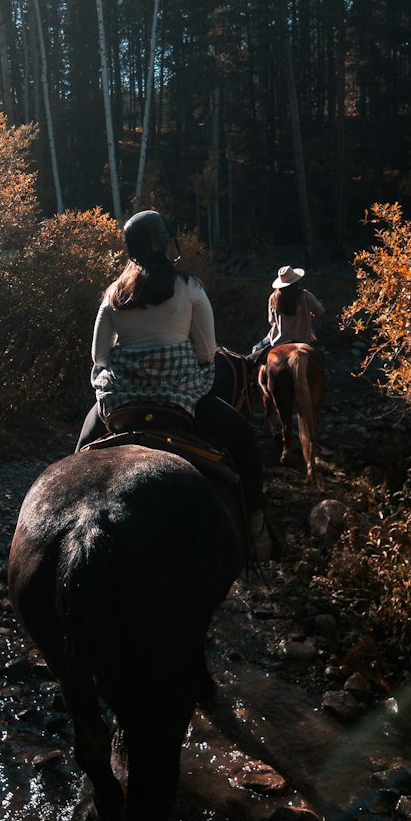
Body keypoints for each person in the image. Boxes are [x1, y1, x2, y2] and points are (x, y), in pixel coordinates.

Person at [76, 209, 271, 560]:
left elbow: (99, 356)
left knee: (79, 457)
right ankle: (257, 531)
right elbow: (207, 351)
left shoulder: (113, 295)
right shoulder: (190, 286)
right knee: (243, 438)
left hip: (122, 403)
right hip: (180, 400)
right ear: (166, 243)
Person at [247, 265, 324, 361]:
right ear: (296, 281)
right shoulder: (306, 295)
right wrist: (309, 317)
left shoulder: (274, 298)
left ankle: (250, 375)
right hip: (304, 338)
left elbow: (271, 321)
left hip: (280, 340)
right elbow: (320, 311)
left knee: (256, 349)